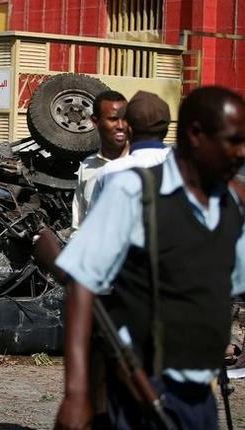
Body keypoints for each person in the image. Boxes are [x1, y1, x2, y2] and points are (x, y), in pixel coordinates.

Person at [54, 86, 245, 430]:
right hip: (142, 389)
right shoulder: (133, 189)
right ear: (197, 135)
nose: (241, 152)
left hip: (201, 396)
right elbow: (81, 286)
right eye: (233, 140)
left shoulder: (228, 204)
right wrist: (76, 394)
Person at [91, 91, 172, 204]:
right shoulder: (184, 167)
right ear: (166, 130)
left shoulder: (110, 171)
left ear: (129, 129)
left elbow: (96, 220)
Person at [70, 90, 129, 232]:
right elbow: (78, 226)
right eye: (113, 119)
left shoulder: (144, 164)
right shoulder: (87, 167)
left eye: (125, 118)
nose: (121, 126)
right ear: (95, 122)